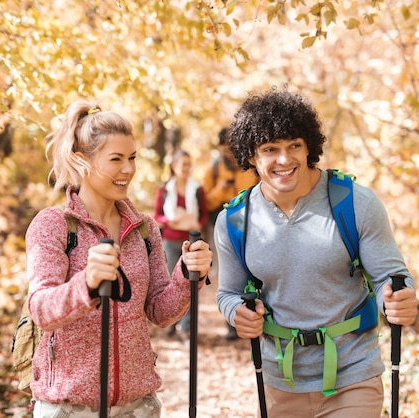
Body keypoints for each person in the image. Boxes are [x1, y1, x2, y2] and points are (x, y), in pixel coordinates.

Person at [215, 87, 419, 417]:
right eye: (270, 149)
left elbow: (390, 278)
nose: (284, 160)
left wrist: (398, 300)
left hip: (353, 375)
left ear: (309, 146)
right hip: (280, 382)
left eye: (294, 145)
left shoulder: (355, 203)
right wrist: (236, 312)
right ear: (251, 156)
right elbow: (228, 293)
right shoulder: (235, 220)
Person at [25, 101, 212, 418]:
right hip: (68, 406)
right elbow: (42, 309)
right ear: (82, 162)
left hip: (137, 406)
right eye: (116, 159)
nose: (128, 169)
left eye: (132, 158)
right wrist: (86, 283)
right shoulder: (54, 225)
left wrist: (187, 275)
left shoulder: (143, 228)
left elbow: (160, 311)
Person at [202, 127, 258, 340]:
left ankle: (253, 314)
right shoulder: (213, 170)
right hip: (221, 226)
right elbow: (205, 202)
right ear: (219, 148)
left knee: (250, 270)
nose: (229, 152)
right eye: (225, 147)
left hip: (250, 225)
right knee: (228, 274)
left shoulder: (250, 168)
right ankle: (231, 323)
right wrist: (221, 189)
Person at [154, 148, 209, 338]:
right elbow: (158, 215)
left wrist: (195, 224)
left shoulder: (197, 188)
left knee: (191, 284)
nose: (186, 168)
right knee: (170, 284)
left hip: (191, 241)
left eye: (188, 164)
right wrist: (171, 221)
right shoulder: (164, 189)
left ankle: (187, 328)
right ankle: (170, 323)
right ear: (174, 166)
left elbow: (204, 215)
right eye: (182, 164)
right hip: (170, 240)